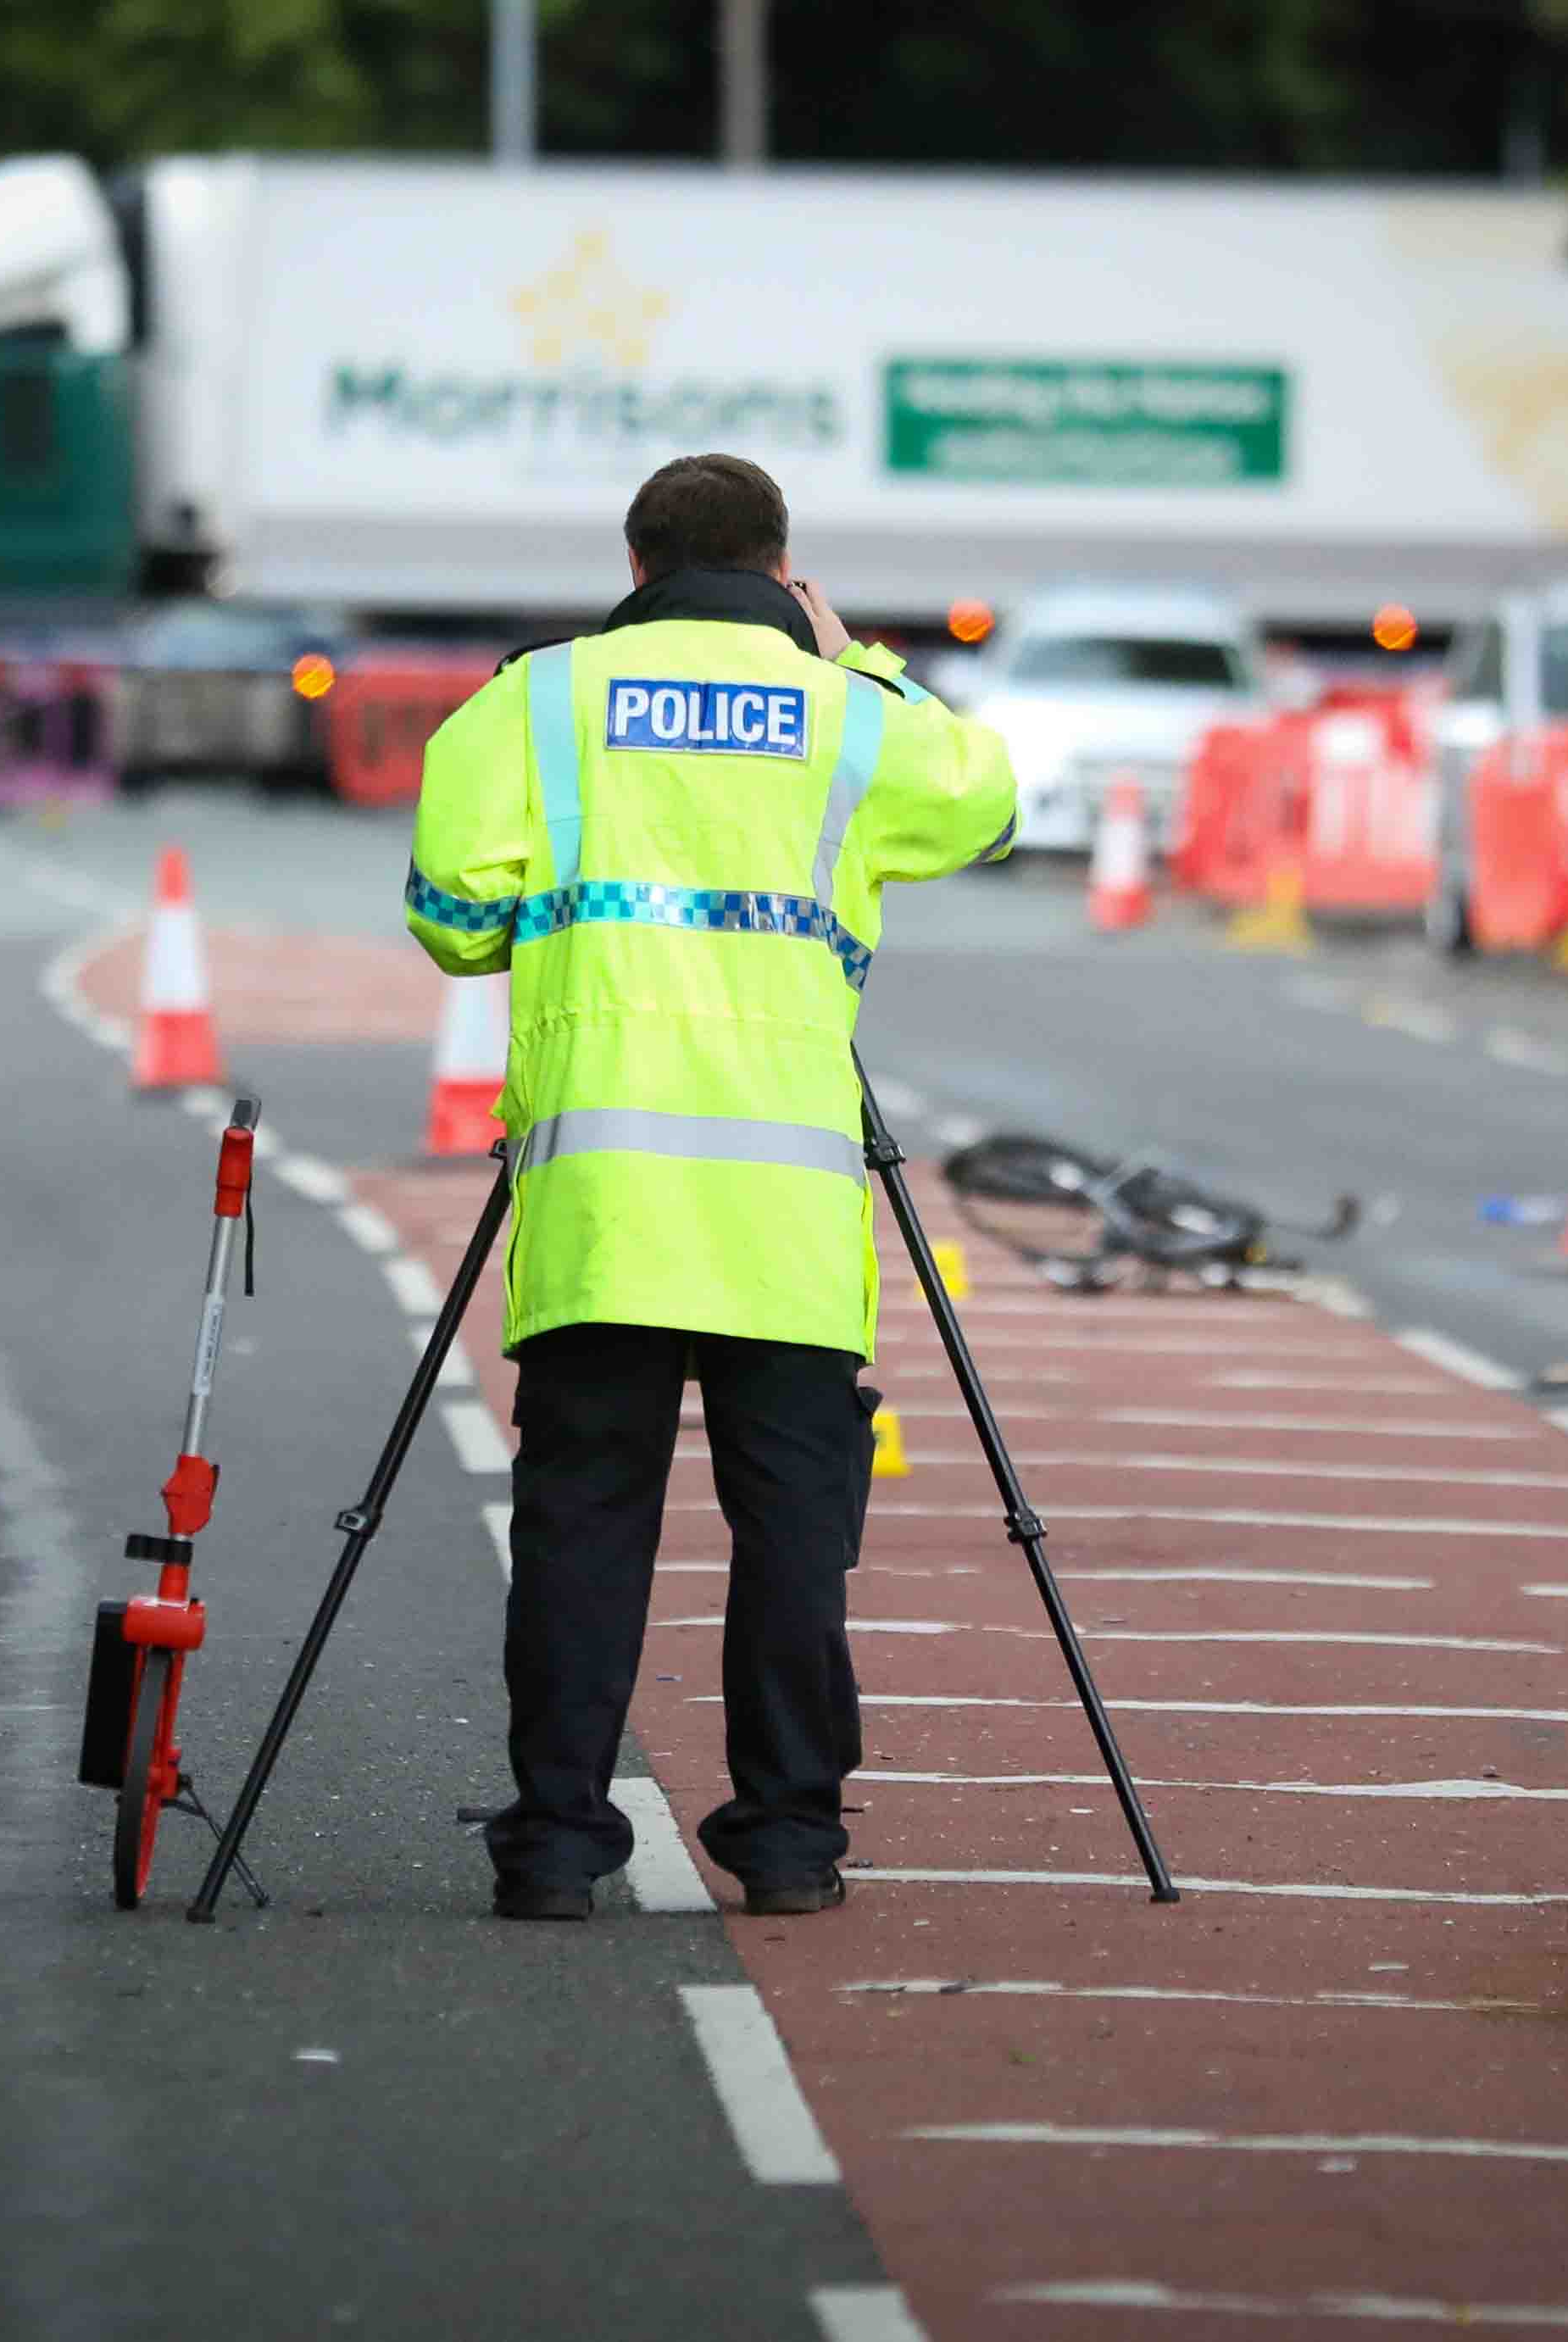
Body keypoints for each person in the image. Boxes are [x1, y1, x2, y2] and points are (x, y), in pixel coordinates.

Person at [405, 452, 1017, 1922]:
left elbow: (449, 919)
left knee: (581, 1529)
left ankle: (555, 1850)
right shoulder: (844, 711)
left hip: (604, 1211)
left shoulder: (534, 702)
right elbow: (986, 808)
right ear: (782, 567)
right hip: (783, 1217)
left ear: (635, 570)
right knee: (795, 1537)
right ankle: (791, 1844)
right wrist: (855, 652)